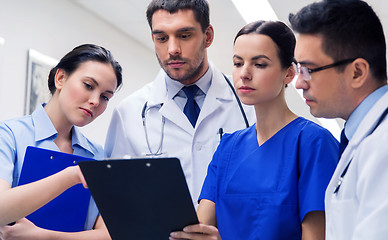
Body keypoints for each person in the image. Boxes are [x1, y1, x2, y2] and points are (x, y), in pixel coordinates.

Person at [170, 20, 339, 240]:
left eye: (259, 64)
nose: (245, 74)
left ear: (288, 74)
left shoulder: (313, 143)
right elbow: (197, 230)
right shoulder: (227, 148)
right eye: (238, 63)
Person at [289, 0, 388, 239]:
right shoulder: (366, 138)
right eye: (298, 68)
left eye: (308, 69)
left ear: (357, 72)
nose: (298, 82)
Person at [105, 0, 255, 206]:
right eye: (162, 38)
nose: (173, 49)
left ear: (208, 36)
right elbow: (117, 201)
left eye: (184, 36)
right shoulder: (128, 113)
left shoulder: (249, 103)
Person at [0, 44, 122, 239]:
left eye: (105, 97)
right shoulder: (9, 135)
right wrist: (70, 176)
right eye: (88, 86)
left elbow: (110, 234)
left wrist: (43, 236)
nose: (95, 101)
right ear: (60, 78)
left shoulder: (96, 155)